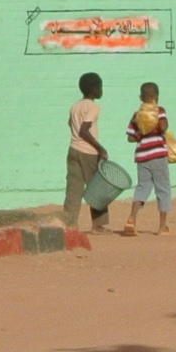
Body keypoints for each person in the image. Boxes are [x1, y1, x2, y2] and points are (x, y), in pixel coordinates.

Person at [66, 72, 111, 233]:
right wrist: (100, 149)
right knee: (97, 188)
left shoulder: (75, 105)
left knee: (73, 189)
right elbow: (83, 130)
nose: (101, 90)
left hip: (73, 150)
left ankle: (69, 224)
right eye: (100, 87)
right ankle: (98, 225)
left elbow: (70, 124)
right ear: (94, 89)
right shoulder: (93, 107)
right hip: (88, 152)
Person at [127, 81, 172, 236]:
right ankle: (162, 227)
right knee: (163, 189)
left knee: (142, 187)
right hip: (158, 155)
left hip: (142, 156)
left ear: (141, 97)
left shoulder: (136, 115)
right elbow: (164, 127)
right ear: (157, 97)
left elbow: (131, 139)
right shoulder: (159, 110)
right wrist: (157, 126)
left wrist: (142, 133)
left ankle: (131, 219)